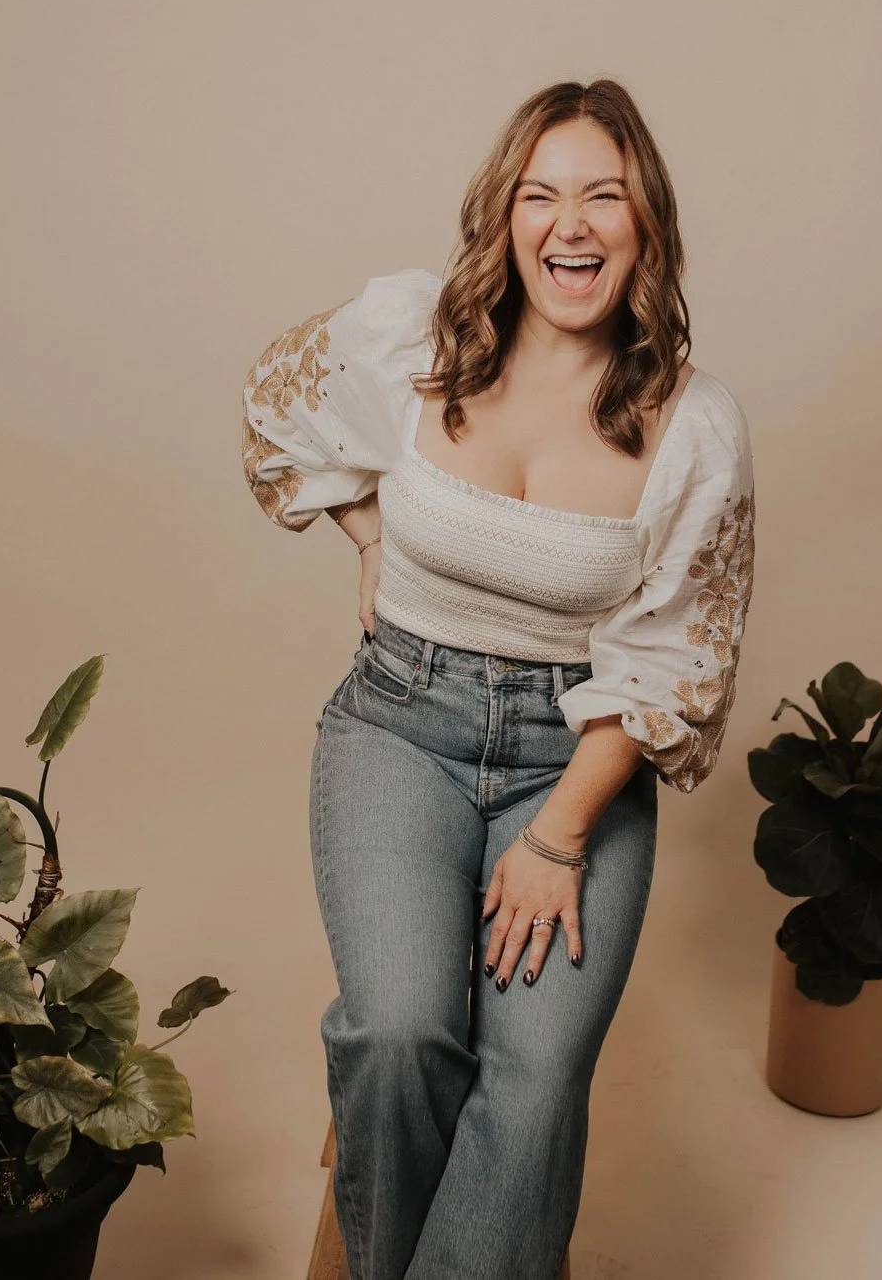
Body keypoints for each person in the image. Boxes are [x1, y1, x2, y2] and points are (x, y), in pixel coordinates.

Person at [241, 79, 756, 1280]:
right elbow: (278, 402)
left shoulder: (694, 427)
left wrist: (559, 837)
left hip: (574, 761)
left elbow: (679, 659)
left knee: (533, 1083)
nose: (570, 225)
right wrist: (369, 536)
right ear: (505, 217)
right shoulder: (420, 343)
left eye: (602, 196)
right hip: (397, 728)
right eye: (540, 196)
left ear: (646, 223)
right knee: (398, 1035)